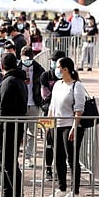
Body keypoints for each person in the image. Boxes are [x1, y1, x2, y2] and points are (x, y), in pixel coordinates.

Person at [0, 53, 28, 197]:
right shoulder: (18, 80)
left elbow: (4, 108)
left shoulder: (9, 82)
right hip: (12, 127)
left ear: (2, 66)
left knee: (8, 164)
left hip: (8, 128)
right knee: (8, 164)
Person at [48, 57, 85, 197]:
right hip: (56, 125)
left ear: (65, 69)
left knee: (72, 158)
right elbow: (52, 106)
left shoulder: (77, 86)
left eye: (58, 67)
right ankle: (62, 187)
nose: (56, 70)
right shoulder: (58, 84)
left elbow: (79, 109)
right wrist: (48, 125)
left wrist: (74, 127)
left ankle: (75, 191)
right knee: (59, 158)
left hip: (70, 126)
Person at [40, 50, 66, 180]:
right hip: (49, 113)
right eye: (53, 61)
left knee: (61, 144)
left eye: (57, 61)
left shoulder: (69, 76)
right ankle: (48, 168)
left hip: (65, 116)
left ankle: (60, 168)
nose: (54, 63)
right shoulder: (46, 76)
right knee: (49, 142)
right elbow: (45, 96)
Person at [18, 46, 45, 167]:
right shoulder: (17, 68)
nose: (26, 62)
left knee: (31, 132)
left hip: (34, 103)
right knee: (18, 132)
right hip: (20, 104)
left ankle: (28, 157)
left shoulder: (39, 70)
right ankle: (16, 157)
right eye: (24, 59)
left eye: (29, 59)